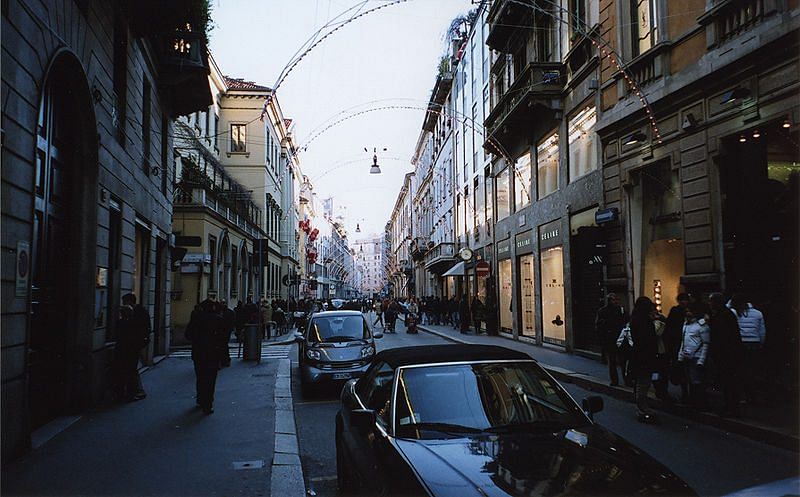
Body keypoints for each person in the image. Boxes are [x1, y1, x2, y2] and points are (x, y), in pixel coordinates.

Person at [185, 299, 228, 414]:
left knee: (200, 377)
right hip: (213, 353)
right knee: (210, 379)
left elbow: (188, 335)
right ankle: (208, 404)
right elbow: (223, 339)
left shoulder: (197, 319)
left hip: (198, 353)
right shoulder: (218, 320)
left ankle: (200, 399)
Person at [709, 293, 743, 416]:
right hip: (728, 353)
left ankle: (731, 407)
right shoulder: (726, 314)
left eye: (711, 301)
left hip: (726, 354)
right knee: (729, 381)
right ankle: (730, 406)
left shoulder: (722, 315)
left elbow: (722, 336)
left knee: (728, 381)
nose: (710, 304)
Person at [729, 293, 767, 404]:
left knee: (740, 371)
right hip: (754, 343)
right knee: (751, 370)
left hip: (740, 343)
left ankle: (743, 396)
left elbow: (725, 308)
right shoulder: (758, 313)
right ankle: (752, 396)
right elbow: (762, 331)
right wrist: (761, 343)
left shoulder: (735, 313)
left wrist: (731, 300)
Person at [113, 293, 150, 402]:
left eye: (124, 301)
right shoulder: (134, 316)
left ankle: (132, 392)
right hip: (133, 346)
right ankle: (135, 391)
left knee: (130, 369)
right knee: (131, 369)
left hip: (131, 346)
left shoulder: (138, 313)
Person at [677, 302, 711, 410]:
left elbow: (706, 343)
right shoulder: (686, 325)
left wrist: (701, 360)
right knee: (690, 380)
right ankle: (693, 401)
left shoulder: (702, 326)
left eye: (690, 311)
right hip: (687, 355)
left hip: (696, 356)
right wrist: (680, 355)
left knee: (696, 381)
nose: (688, 313)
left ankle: (699, 402)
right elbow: (683, 341)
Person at [630, 296, 658, 423]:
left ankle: (641, 405)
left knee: (642, 381)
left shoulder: (636, 318)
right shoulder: (642, 320)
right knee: (643, 381)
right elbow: (645, 338)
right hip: (644, 355)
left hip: (640, 354)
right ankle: (642, 406)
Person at [595, 293, 629, 387]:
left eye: (617, 300)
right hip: (610, 339)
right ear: (609, 301)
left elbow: (627, 321)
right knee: (613, 361)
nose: (616, 302)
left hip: (619, 338)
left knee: (623, 361)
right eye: (614, 300)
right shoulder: (603, 311)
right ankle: (615, 380)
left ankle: (626, 380)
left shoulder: (621, 310)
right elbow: (599, 326)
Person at [664, 293, 691, 402]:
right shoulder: (677, 311)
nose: (685, 302)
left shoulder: (683, 311)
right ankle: (685, 392)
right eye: (683, 300)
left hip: (685, 343)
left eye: (686, 300)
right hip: (678, 343)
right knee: (682, 369)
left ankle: (686, 393)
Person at [219, 299, 236, 368]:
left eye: (223, 303)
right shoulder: (228, 312)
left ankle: (225, 360)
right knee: (224, 346)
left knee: (224, 346)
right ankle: (225, 360)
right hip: (223, 331)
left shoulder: (226, 312)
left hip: (225, 331)